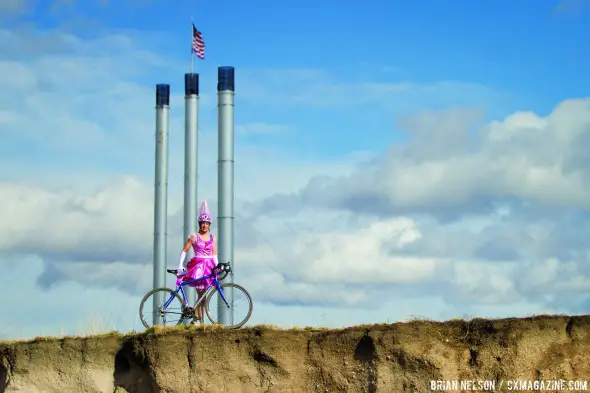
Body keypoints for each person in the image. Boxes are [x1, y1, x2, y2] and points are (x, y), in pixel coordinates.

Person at [177, 200, 218, 325]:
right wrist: (180, 265)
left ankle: (199, 319)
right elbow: (185, 250)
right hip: (199, 266)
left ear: (209, 224)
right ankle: (199, 320)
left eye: (206, 223)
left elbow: (214, 254)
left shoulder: (212, 238)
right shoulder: (194, 236)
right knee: (201, 293)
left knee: (204, 295)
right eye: (202, 223)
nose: (204, 225)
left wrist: (218, 266)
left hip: (209, 265)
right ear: (199, 224)